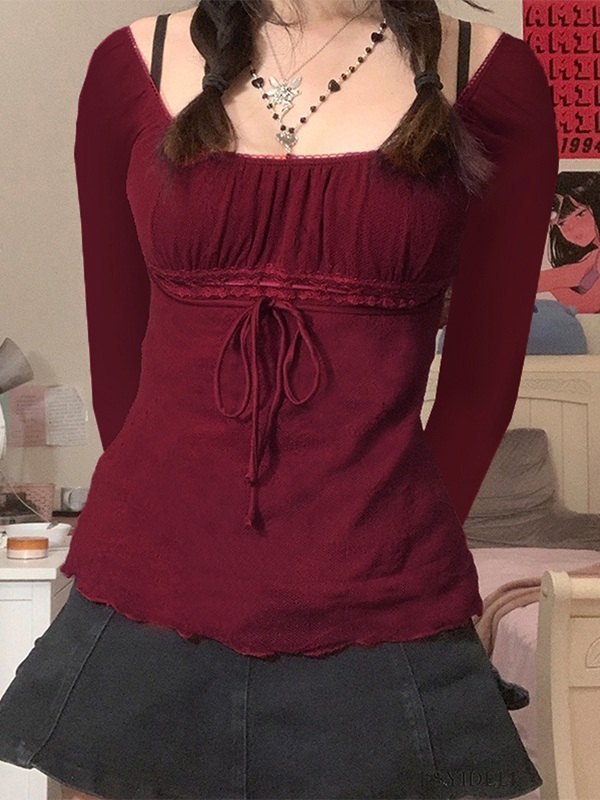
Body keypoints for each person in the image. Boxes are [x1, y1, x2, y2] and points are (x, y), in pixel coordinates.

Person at [0, 1, 558, 798]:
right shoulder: (129, 66)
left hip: (378, 601)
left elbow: (479, 390)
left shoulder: (494, 79)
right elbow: (119, 358)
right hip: (141, 597)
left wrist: (395, 554)